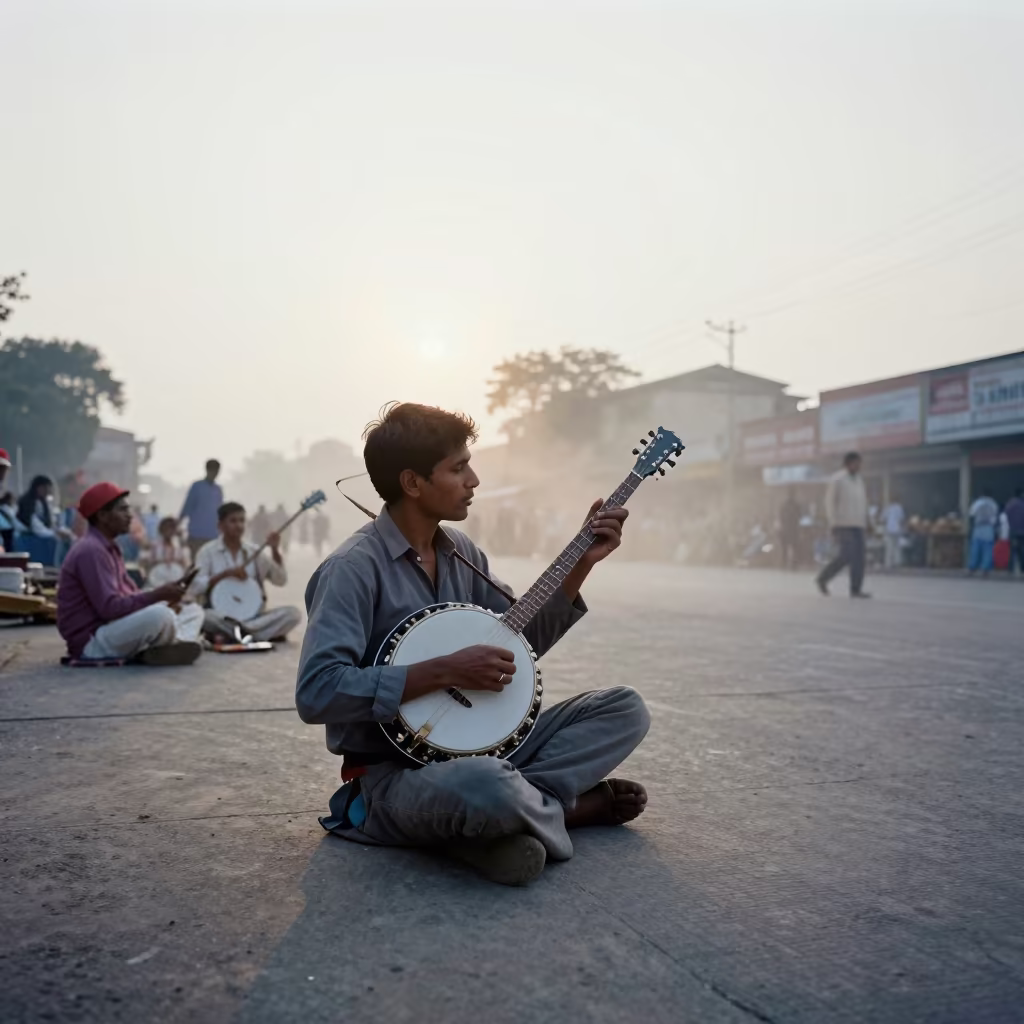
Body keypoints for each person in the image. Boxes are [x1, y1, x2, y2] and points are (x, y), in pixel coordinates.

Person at [296, 402, 649, 887]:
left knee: (624, 709)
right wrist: (444, 671)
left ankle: (503, 821)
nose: (474, 479)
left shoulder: (463, 553)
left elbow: (517, 646)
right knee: (485, 784)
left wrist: (581, 563)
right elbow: (317, 692)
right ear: (412, 482)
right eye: (458, 468)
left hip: (483, 755)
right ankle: (564, 812)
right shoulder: (351, 569)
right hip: (394, 776)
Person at [57, 482, 204, 664]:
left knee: (193, 611)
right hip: (93, 641)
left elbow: (130, 595)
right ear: (103, 516)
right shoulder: (91, 550)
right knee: (160, 616)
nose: (130, 516)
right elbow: (109, 609)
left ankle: (164, 644)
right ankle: (169, 643)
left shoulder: (109, 547)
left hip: (113, 627)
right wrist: (157, 596)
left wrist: (167, 598)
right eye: (123, 510)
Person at [193, 501, 302, 643]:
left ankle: (239, 633)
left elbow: (280, 580)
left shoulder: (255, 551)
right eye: (233, 521)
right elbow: (195, 586)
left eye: (242, 521)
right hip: (221, 616)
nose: (238, 525)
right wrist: (225, 574)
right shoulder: (207, 552)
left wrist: (275, 550)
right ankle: (258, 634)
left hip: (253, 617)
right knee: (203, 616)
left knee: (293, 614)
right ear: (220, 526)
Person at [816, 452, 870, 598]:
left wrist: (867, 521)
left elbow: (863, 502)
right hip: (842, 523)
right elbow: (829, 502)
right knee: (846, 555)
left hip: (858, 524)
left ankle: (856, 589)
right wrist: (833, 522)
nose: (858, 466)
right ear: (848, 463)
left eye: (859, 463)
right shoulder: (838, 479)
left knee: (859, 557)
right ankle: (823, 578)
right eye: (856, 463)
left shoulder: (859, 480)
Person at [179, 460, 224, 560]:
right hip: (197, 534)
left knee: (212, 565)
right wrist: (178, 523)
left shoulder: (218, 489)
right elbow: (187, 506)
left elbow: (221, 511)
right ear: (207, 470)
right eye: (213, 470)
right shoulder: (197, 486)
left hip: (213, 534)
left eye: (217, 471)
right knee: (197, 565)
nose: (215, 474)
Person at [142, 516, 190, 588]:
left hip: (176, 582)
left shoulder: (181, 547)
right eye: (166, 528)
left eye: (172, 528)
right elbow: (143, 564)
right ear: (161, 530)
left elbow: (186, 565)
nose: (169, 531)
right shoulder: (152, 546)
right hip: (155, 582)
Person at [967, 491, 1000, 576]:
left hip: (978, 528)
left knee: (975, 550)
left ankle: (972, 568)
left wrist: (971, 528)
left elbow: (971, 515)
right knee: (988, 550)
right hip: (989, 529)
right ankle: (985, 570)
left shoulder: (977, 503)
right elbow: (996, 518)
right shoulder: (993, 504)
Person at [778, 488, 801, 570]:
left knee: (785, 548)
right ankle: (793, 565)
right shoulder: (796, 505)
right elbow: (799, 516)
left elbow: (780, 517)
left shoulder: (784, 505)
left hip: (786, 529)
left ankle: (784, 564)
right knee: (794, 548)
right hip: (793, 529)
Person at [882, 497, 905, 571]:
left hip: (889, 529)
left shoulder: (887, 508)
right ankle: (897, 562)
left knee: (889, 547)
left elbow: (883, 518)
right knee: (897, 547)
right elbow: (901, 519)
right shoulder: (899, 508)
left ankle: (888, 564)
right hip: (897, 529)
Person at [1005, 489, 1024, 576]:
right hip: (1022, 531)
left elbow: (1006, 515)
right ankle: (1022, 568)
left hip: (1012, 530)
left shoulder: (1010, 504)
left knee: (1012, 550)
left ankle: (1010, 568)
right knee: (1021, 550)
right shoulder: (1022, 504)